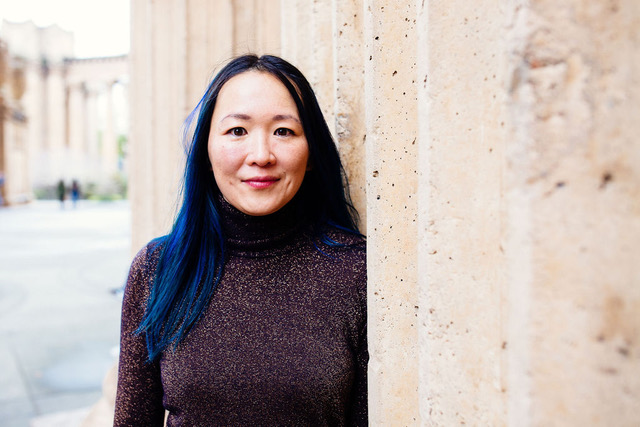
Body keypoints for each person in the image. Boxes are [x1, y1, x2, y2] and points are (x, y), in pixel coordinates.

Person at [114, 54, 367, 426]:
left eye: (284, 131)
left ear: (312, 153)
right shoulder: (158, 267)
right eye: (237, 131)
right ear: (205, 149)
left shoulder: (358, 271)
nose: (261, 155)